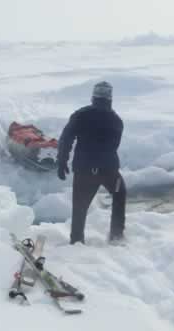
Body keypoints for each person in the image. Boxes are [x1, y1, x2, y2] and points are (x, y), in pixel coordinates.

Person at [57, 81, 126, 245]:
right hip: (109, 171)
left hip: (84, 170)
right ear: (110, 98)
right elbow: (114, 145)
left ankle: (77, 241)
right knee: (119, 194)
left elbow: (66, 139)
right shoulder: (116, 120)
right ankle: (116, 236)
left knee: (79, 207)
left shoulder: (80, 115)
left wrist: (62, 161)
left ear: (93, 97)